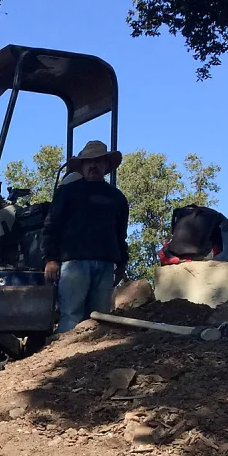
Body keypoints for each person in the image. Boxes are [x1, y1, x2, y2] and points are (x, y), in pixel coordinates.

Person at [38, 140, 129, 332]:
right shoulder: (67, 192)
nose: (93, 165)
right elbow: (51, 226)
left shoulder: (117, 198)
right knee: (71, 315)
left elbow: (121, 233)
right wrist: (51, 259)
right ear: (82, 166)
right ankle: (64, 359)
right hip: (74, 263)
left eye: (98, 161)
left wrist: (122, 263)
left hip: (105, 265)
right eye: (89, 162)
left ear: (106, 166)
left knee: (101, 319)